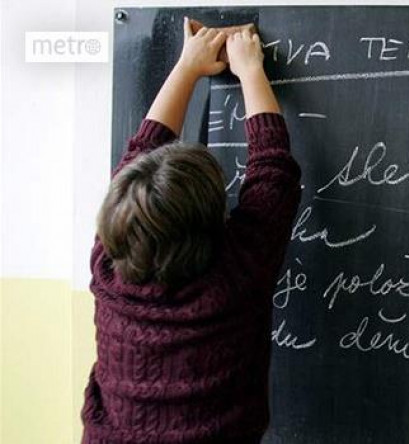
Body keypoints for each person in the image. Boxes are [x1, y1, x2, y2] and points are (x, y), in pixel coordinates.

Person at [81, 18, 301, 443]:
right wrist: (250, 69)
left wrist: (186, 67)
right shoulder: (237, 274)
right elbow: (273, 172)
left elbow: (138, 162)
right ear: (213, 220)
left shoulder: (108, 267)